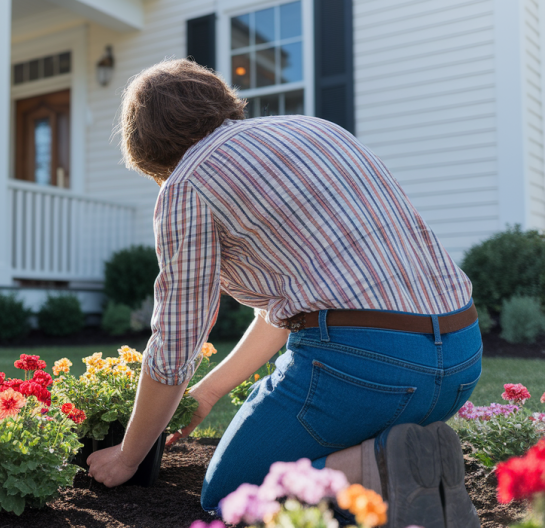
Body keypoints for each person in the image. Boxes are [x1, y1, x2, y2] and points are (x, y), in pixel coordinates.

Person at [84, 59, 481, 528]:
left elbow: (176, 339)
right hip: (460, 360)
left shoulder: (187, 184)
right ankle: (414, 464)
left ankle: (386, 470)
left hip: (366, 372)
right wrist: (207, 393)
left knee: (235, 497)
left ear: (147, 147)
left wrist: (128, 457)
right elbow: (287, 312)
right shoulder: (316, 130)